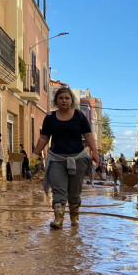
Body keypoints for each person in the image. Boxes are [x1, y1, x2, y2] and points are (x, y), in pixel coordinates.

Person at [33, 86, 100, 228]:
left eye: (67, 98)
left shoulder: (79, 116)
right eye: (61, 98)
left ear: (71, 100)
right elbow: (44, 138)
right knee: (58, 189)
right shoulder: (50, 118)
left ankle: (74, 218)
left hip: (78, 159)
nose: (64, 101)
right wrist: (35, 155)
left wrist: (95, 152)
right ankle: (58, 219)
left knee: (75, 191)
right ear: (56, 100)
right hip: (57, 159)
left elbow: (88, 135)